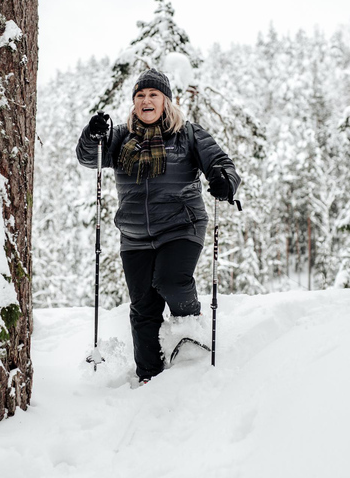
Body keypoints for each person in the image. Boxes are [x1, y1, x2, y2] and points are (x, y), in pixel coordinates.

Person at [76, 68, 240, 383]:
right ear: (134, 102)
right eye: (140, 96)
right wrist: (92, 134)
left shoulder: (188, 134)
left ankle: (190, 328)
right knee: (143, 308)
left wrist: (224, 180)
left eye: (153, 95)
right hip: (134, 235)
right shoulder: (120, 138)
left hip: (182, 225)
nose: (146, 100)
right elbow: (89, 157)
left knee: (171, 281)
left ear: (166, 100)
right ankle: (148, 376)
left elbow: (221, 163)